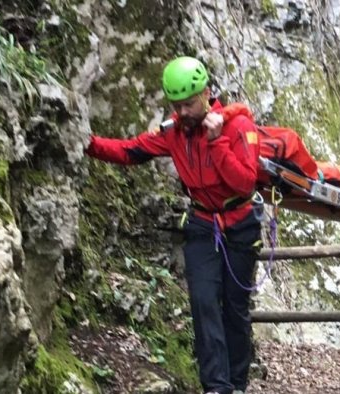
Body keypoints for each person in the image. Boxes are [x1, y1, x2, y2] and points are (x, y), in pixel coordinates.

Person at [85, 56, 261, 394]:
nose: (183, 112)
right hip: (201, 224)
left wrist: (217, 141)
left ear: (207, 94)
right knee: (203, 301)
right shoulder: (174, 132)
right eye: (176, 105)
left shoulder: (238, 127)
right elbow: (131, 151)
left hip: (240, 224)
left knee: (235, 308)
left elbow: (244, 184)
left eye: (189, 104)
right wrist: (88, 144)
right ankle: (217, 386)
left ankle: (238, 383)